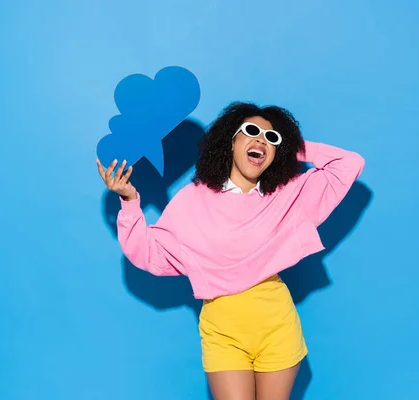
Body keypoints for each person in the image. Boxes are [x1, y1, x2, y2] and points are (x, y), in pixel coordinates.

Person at [96, 102, 365, 400]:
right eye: (251, 131)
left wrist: (290, 146)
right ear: (230, 141)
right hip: (223, 330)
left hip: (277, 324)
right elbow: (149, 253)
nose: (261, 140)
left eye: (271, 138)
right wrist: (130, 202)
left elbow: (349, 164)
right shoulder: (192, 200)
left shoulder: (288, 195)